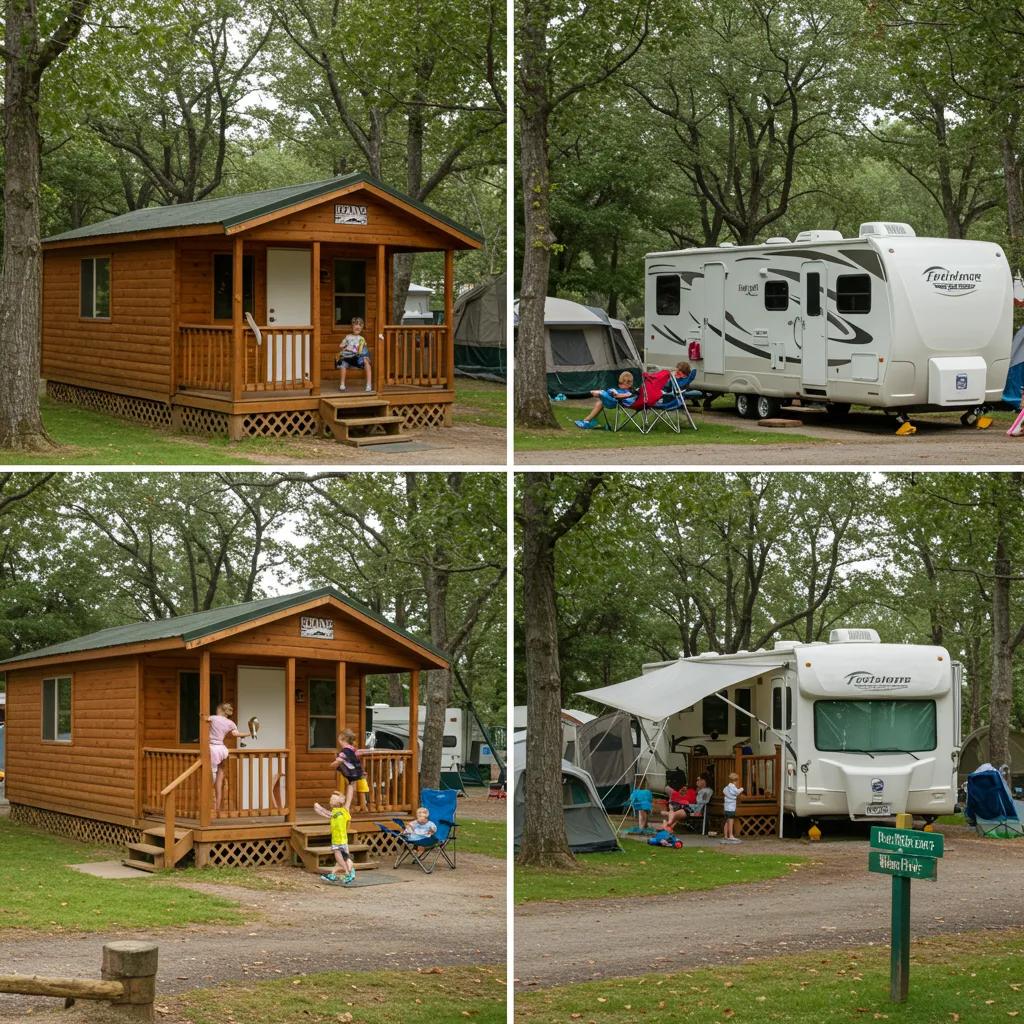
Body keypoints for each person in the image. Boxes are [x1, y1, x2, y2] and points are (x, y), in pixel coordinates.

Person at [206, 703, 252, 814]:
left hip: (212, 748)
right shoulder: (231, 723)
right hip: (222, 750)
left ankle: (209, 806)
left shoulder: (212, 718)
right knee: (219, 779)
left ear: (220, 710)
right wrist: (249, 734)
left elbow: (204, 722)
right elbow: (236, 735)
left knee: (210, 777)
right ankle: (217, 807)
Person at [314, 792, 356, 885]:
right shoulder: (336, 812)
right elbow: (325, 813)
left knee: (342, 859)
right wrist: (318, 808)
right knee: (343, 859)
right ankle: (334, 874)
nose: (330, 801)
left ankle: (349, 872)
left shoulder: (342, 811)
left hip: (339, 841)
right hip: (339, 840)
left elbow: (325, 812)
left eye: (332, 799)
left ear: (338, 802)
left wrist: (319, 807)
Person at [332, 729, 369, 812]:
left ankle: (347, 806)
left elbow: (339, 760)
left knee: (350, 788)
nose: (339, 742)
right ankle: (348, 805)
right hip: (356, 773)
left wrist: (332, 764)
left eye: (339, 740)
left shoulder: (345, 750)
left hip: (350, 773)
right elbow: (356, 756)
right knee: (352, 788)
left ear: (343, 739)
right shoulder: (352, 749)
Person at [336, 316, 373, 392]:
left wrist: (366, 356)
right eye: (356, 325)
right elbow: (341, 345)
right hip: (349, 357)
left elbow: (364, 349)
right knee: (343, 363)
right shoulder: (348, 337)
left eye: (360, 326)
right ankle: (342, 384)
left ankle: (368, 385)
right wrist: (346, 346)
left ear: (361, 328)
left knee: (367, 363)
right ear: (352, 327)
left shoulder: (362, 339)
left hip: (358, 358)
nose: (358, 327)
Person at [721, 772, 744, 843]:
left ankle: (725, 836)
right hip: (731, 807)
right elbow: (736, 792)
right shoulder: (733, 787)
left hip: (726, 807)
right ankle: (731, 835)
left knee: (727, 821)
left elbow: (724, 792)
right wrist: (741, 789)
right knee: (731, 820)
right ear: (735, 781)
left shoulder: (726, 787)